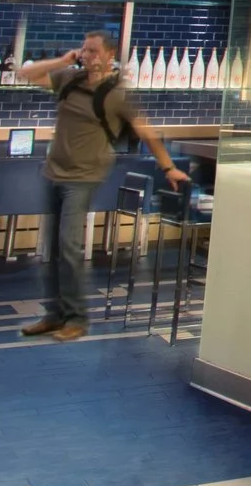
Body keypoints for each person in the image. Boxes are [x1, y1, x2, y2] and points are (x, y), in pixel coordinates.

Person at [13, 31, 188, 341]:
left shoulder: (117, 94)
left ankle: (77, 319)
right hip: (54, 172)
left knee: (69, 247)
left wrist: (168, 167)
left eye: (94, 51)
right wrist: (64, 60)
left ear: (109, 56)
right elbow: (24, 74)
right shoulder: (69, 79)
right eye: (84, 49)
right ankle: (55, 315)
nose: (87, 55)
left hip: (83, 177)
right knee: (53, 249)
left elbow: (146, 132)